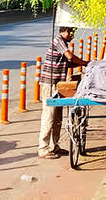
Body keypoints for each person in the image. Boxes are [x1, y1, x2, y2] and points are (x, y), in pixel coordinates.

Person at [38, 26, 88, 159]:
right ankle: (43, 148)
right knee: (49, 115)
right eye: (72, 32)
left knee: (58, 117)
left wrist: (84, 64)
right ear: (65, 31)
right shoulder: (58, 41)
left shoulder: (63, 43)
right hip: (50, 83)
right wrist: (84, 62)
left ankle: (55, 146)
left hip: (59, 83)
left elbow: (68, 63)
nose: (73, 36)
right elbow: (70, 57)